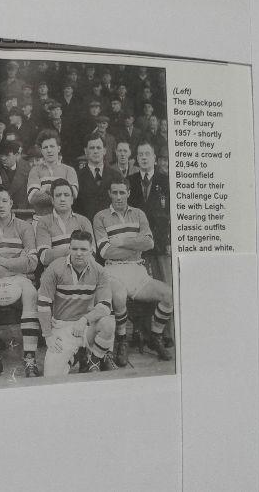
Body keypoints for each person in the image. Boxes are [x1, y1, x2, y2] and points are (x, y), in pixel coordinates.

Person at [92, 178, 174, 362]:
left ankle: (156, 336)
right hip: (113, 270)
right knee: (119, 296)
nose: (119, 197)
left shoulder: (138, 214)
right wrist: (136, 246)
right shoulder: (101, 216)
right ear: (109, 194)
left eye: (122, 192)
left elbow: (149, 242)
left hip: (137, 271)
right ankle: (122, 340)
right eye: (115, 192)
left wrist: (122, 242)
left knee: (169, 295)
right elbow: (105, 252)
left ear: (128, 193)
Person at [0, 184, 40, 381]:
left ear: (11, 203)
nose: (1, 205)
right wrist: (15, 264)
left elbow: (33, 262)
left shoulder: (24, 227)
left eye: (4, 201)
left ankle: (30, 358)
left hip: (18, 278)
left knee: (31, 293)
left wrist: (2, 261)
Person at [37, 229, 115, 376]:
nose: (79, 253)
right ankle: (77, 356)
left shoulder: (100, 271)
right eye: (75, 249)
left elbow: (105, 306)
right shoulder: (55, 268)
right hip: (63, 326)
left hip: (87, 326)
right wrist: (48, 336)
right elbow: (43, 304)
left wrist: (85, 319)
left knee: (108, 323)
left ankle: (94, 359)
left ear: (91, 250)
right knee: (51, 376)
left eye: (83, 249)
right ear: (69, 249)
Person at [35, 179, 93, 267]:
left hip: (81, 272)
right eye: (58, 195)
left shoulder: (83, 221)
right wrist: (75, 250)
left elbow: (92, 254)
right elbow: (44, 257)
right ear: (52, 200)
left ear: (72, 199)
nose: (62, 199)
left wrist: (62, 252)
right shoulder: (44, 222)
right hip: (55, 273)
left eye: (66, 195)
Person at [128, 141, 170, 256]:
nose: (144, 158)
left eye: (147, 154)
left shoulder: (166, 181)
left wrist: (168, 241)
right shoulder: (130, 181)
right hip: (137, 242)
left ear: (154, 158)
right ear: (137, 158)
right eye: (141, 155)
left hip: (160, 242)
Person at [27, 129, 79, 217]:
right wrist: (60, 193)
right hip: (41, 219)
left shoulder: (69, 170)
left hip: (64, 219)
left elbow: (73, 195)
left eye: (52, 146)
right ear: (42, 150)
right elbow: (32, 198)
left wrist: (46, 189)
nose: (49, 150)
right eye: (45, 147)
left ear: (58, 148)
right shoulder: (35, 170)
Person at [73, 134, 123, 222]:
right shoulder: (76, 177)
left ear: (104, 151)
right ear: (85, 151)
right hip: (86, 228)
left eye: (98, 148)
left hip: (111, 226)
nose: (95, 151)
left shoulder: (116, 175)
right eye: (92, 148)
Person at [0, 140, 31, 210]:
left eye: (7, 155)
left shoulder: (27, 170)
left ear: (16, 155)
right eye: (2, 155)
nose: (3, 158)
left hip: (22, 212)